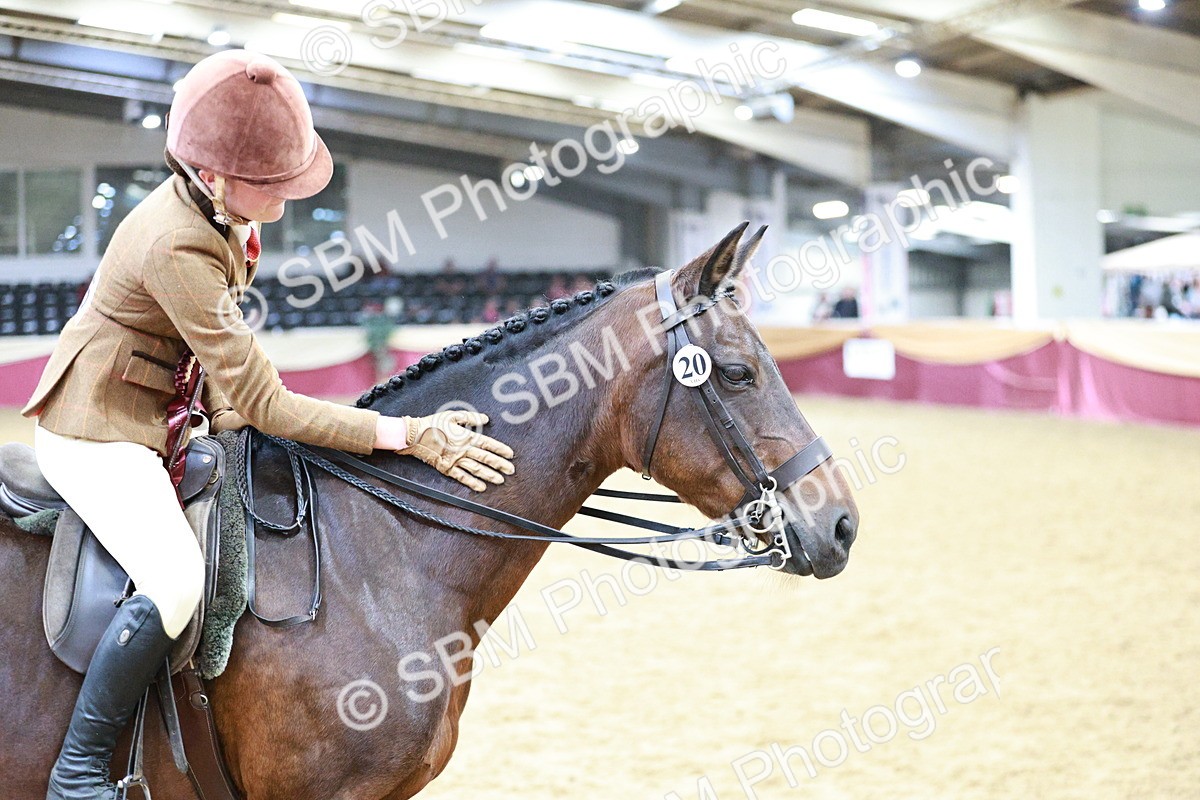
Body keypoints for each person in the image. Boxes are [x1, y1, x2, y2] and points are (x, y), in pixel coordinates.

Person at [24, 50, 516, 800]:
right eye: (270, 185)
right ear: (213, 175)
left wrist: (228, 425)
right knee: (177, 580)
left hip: (161, 411)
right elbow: (268, 403)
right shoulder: (177, 240)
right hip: (96, 428)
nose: (285, 201)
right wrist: (406, 434)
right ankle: (79, 770)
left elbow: (220, 373)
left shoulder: (216, 213)